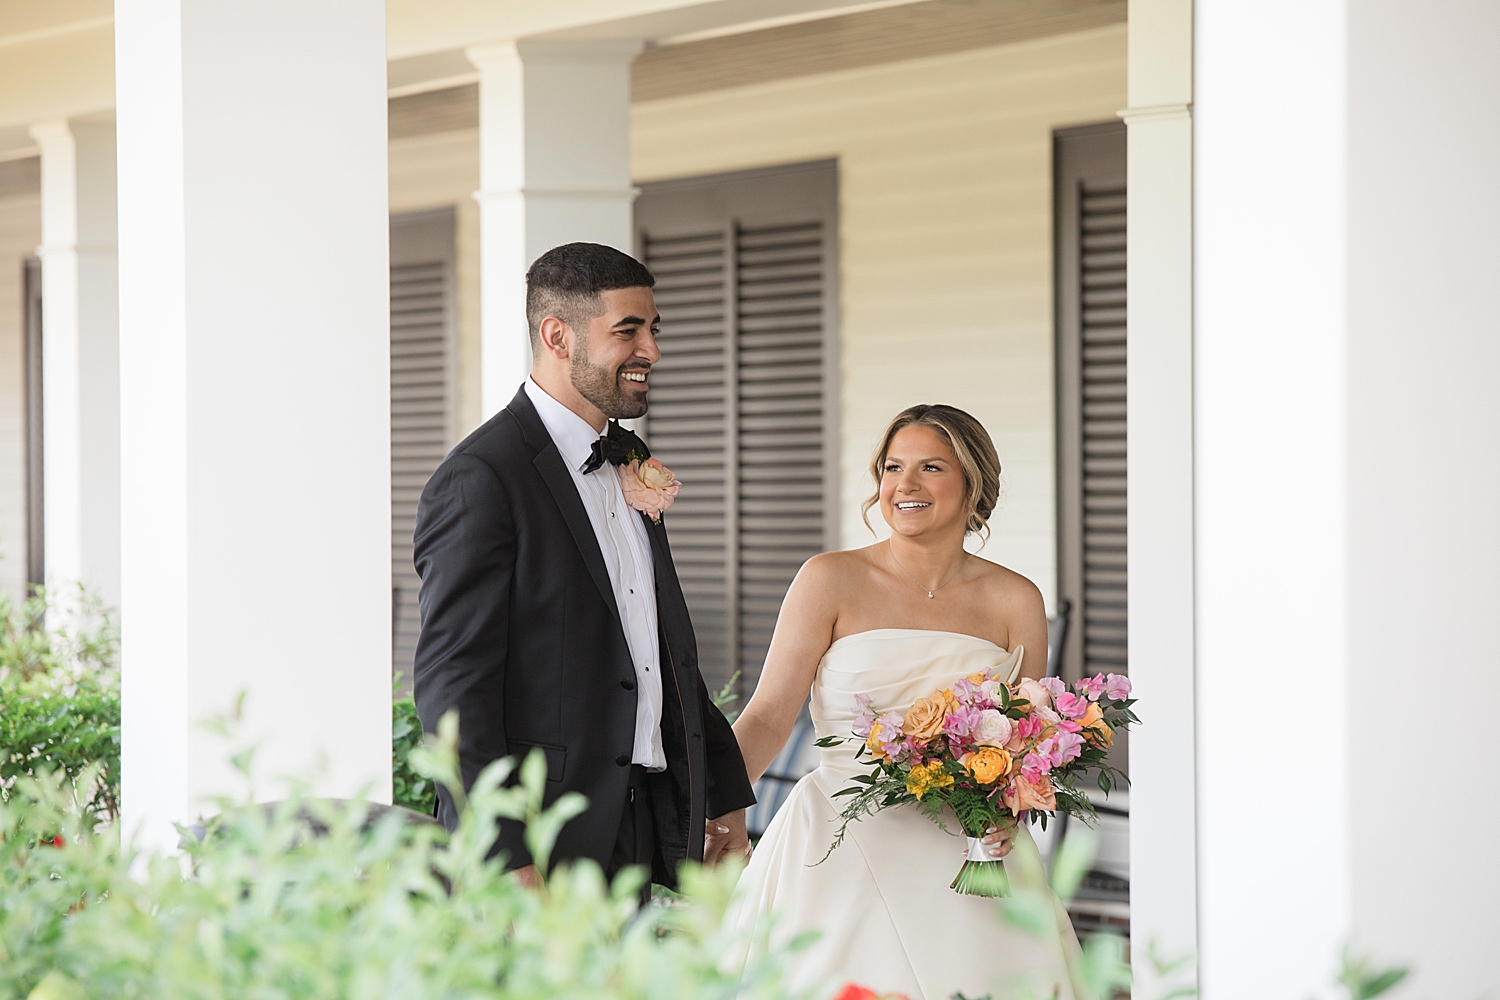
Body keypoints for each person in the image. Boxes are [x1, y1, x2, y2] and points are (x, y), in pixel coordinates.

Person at [412, 242, 755, 893]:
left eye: (654, 329)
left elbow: (661, 650)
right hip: (541, 843)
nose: (652, 350)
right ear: (556, 334)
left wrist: (723, 797)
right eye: (628, 330)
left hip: (646, 829)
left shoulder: (627, 457)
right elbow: (454, 693)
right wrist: (507, 863)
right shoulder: (482, 479)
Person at [724, 404, 1083, 999]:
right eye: (893, 467)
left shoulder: (1016, 598)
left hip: (970, 858)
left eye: (930, 467)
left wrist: (1007, 812)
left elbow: (1025, 746)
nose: (905, 485)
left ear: (973, 484)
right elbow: (765, 717)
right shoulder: (829, 579)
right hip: (839, 841)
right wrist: (715, 806)